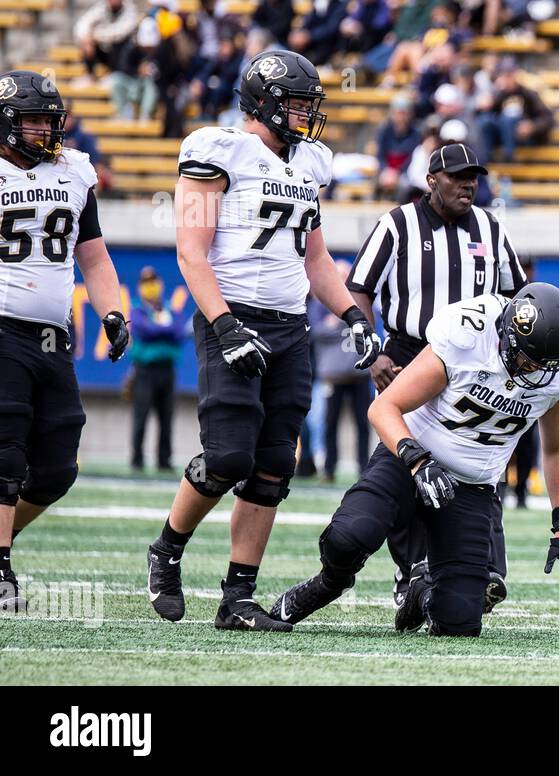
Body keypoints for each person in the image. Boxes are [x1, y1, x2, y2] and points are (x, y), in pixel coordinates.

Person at [144, 50, 382, 632]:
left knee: (275, 463)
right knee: (228, 456)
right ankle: (167, 550)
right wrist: (224, 325)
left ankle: (237, 598)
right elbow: (190, 252)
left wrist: (351, 313)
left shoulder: (309, 165)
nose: (306, 116)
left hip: (289, 325)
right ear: (265, 103)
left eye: (309, 105)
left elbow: (316, 257)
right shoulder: (217, 150)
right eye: (298, 104)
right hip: (232, 314)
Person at [271, 284, 559, 636]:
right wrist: (418, 462)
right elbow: (384, 407)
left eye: (542, 365)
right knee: (348, 537)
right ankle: (329, 583)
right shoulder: (469, 336)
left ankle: (421, 592)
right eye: (527, 360)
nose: (533, 372)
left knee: (458, 623)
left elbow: (557, 449)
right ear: (507, 334)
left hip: (470, 486)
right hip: (409, 460)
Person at [306, 141, 527, 610]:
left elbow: (515, 297)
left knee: (475, 459)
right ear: (432, 180)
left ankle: (481, 566)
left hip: (473, 363)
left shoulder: (490, 227)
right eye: (458, 176)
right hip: (411, 352)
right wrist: (373, 351)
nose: (469, 184)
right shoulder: (397, 224)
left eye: (475, 176)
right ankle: (411, 571)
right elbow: (358, 290)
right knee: (409, 460)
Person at [0, 72, 131, 614]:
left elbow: (94, 256)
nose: (46, 129)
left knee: (56, 468)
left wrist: (113, 310)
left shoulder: (74, 171)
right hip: (2, 323)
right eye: (34, 120)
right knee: (5, 452)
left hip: (54, 335)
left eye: (51, 120)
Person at [310, 262, 374, 484]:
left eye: (347, 275)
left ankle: (364, 468)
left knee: (363, 424)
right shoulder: (321, 303)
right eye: (340, 275)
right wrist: (338, 320)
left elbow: (371, 328)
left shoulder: (360, 304)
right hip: (333, 376)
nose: (344, 281)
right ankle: (328, 469)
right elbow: (315, 332)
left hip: (359, 375)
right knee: (329, 423)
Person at [129, 266, 187, 472]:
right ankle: (137, 459)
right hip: (145, 370)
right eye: (146, 282)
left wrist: (160, 330)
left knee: (166, 417)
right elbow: (143, 331)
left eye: (153, 281)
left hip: (167, 369)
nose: (150, 286)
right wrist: (164, 330)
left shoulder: (170, 308)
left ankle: (165, 459)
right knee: (141, 415)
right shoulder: (136, 308)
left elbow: (179, 332)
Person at [479, 58, 554, 162]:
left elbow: (548, 119)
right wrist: (488, 101)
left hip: (523, 137)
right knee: (485, 121)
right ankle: (485, 161)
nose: (507, 78)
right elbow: (484, 115)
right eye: (504, 75)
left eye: (509, 74)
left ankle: (508, 159)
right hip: (502, 135)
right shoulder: (498, 95)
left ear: (516, 74)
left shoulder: (528, 94)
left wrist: (532, 126)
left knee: (509, 119)